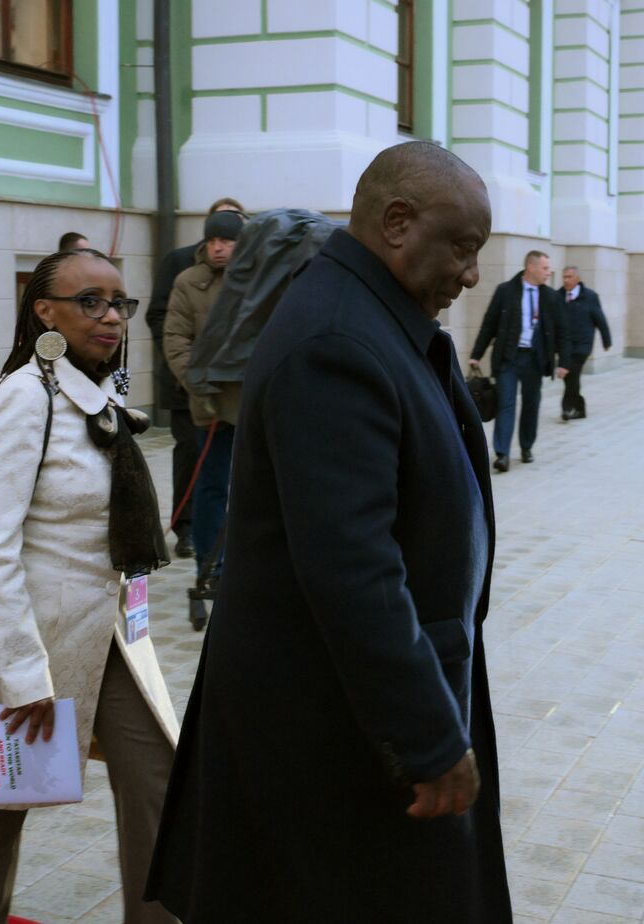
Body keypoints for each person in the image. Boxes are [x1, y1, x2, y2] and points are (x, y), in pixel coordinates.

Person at [146, 141, 511, 922]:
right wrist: (427, 736)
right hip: (331, 730)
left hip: (355, 711)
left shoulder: (375, 315)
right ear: (397, 222)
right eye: (464, 247)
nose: (471, 273)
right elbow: (352, 566)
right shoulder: (337, 341)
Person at [0, 248, 180, 923]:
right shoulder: (25, 400)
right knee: (2, 803)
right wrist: (24, 675)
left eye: (120, 302)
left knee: (157, 780)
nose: (110, 316)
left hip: (106, 634)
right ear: (43, 310)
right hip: (31, 644)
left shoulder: (100, 390)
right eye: (90, 302)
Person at [145, 196, 245, 558]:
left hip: (250, 404)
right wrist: (197, 382)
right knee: (209, 481)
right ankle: (208, 558)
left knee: (253, 484)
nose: (219, 247)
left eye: (227, 240)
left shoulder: (259, 280)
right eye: (213, 240)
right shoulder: (186, 279)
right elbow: (174, 336)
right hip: (206, 404)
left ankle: (245, 556)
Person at [469, 251, 569, 471]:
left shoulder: (552, 297)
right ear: (530, 268)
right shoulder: (505, 291)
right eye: (545, 268)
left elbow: (562, 331)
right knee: (506, 403)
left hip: (535, 359)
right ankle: (502, 454)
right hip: (509, 358)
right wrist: (477, 354)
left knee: (531, 405)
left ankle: (526, 447)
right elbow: (489, 324)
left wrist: (564, 362)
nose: (548, 272)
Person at [558, 265, 612, 420]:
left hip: (583, 344)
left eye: (569, 277)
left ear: (577, 279)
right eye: (564, 277)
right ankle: (580, 408)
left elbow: (600, 319)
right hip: (566, 346)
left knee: (572, 373)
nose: (566, 280)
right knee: (570, 378)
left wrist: (606, 340)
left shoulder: (590, 296)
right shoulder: (558, 296)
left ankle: (567, 408)